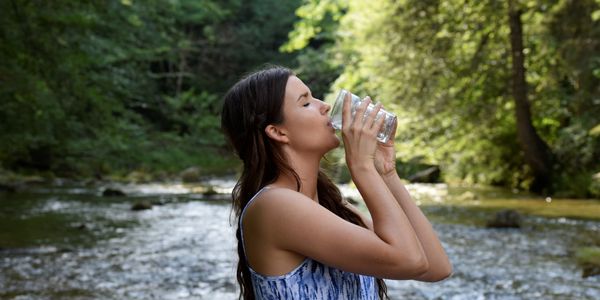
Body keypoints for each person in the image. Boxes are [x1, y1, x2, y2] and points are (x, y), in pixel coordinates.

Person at [221, 66, 452, 300]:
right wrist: (361, 167)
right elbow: (409, 260)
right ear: (278, 132)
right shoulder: (274, 205)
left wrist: (386, 173)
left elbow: (435, 266)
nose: (325, 106)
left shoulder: (334, 209)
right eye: (306, 103)